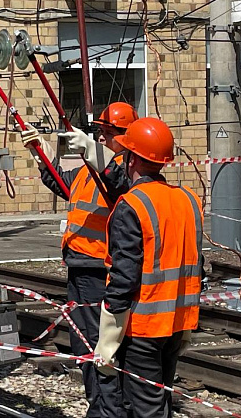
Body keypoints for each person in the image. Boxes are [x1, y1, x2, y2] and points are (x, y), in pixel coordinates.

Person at [21, 102, 139, 418]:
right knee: (85, 344)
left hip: (100, 270)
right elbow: (60, 182)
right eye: (98, 132)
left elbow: (117, 182)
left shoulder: (125, 169)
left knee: (98, 346)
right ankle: (102, 406)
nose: (100, 137)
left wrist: (90, 149)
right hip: (80, 267)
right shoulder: (89, 170)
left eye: (107, 133)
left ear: (125, 137)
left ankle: (107, 410)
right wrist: (41, 152)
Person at [93, 117, 203, 418]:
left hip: (144, 328)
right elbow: (197, 265)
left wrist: (108, 337)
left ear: (132, 159)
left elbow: (124, 276)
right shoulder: (188, 200)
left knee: (146, 408)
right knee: (160, 400)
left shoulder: (132, 205)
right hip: (178, 322)